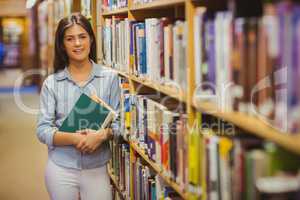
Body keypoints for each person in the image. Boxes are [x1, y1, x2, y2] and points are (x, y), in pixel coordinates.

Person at [37, 13, 120, 200]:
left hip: (97, 168)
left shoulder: (110, 78)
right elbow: (42, 130)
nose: (77, 44)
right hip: (61, 168)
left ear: (91, 39)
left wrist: (102, 135)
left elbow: (121, 124)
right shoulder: (52, 83)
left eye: (82, 36)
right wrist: (75, 139)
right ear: (62, 44)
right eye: (70, 38)